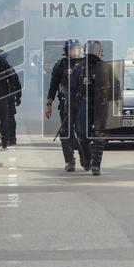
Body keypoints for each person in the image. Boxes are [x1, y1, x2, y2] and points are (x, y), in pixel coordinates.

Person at [45, 39, 83, 172]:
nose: (74, 52)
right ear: (66, 51)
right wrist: (49, 103)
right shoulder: (60, 65)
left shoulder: (85, 64)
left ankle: (84, 154)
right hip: (65, 103)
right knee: (66, 132)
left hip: (83, 104)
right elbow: (53, 85)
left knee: (82, 132)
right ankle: (69, 160)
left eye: (76, 49)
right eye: (71, 50)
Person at [71, 39, 106, 176]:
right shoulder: (79, 68)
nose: (93, 51)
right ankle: (86, 158)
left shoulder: (105, 67)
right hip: (84, 104)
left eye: (95, 48)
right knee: (82, 135)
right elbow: (72, 88)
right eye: (90, 48)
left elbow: (115, 86)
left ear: (100, 51)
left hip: (100, 105)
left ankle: (96, 165)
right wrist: (71, 105)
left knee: (99, 136)